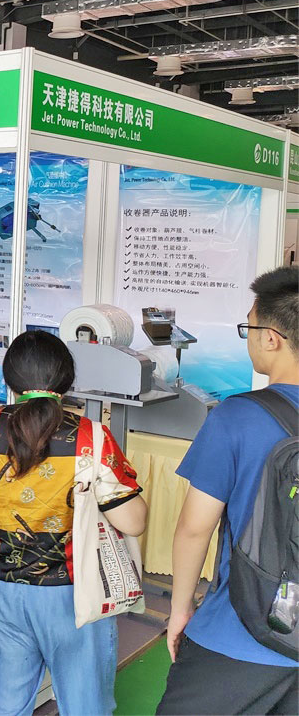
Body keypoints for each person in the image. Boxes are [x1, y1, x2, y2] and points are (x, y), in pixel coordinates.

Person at [0, 330, 147, 716]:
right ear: (66, 380)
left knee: (3, 702)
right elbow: (133, 521)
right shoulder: (91, 437)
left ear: (10, 379)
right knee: (85, 703)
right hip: (74, 590)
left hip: (0, 586)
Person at [156, 266, 299, 715]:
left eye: (249, 328)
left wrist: (181, 610)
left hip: (240, 634)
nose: (249, 339)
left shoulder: (237, 417)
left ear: (271, 338)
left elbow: (194, 529)